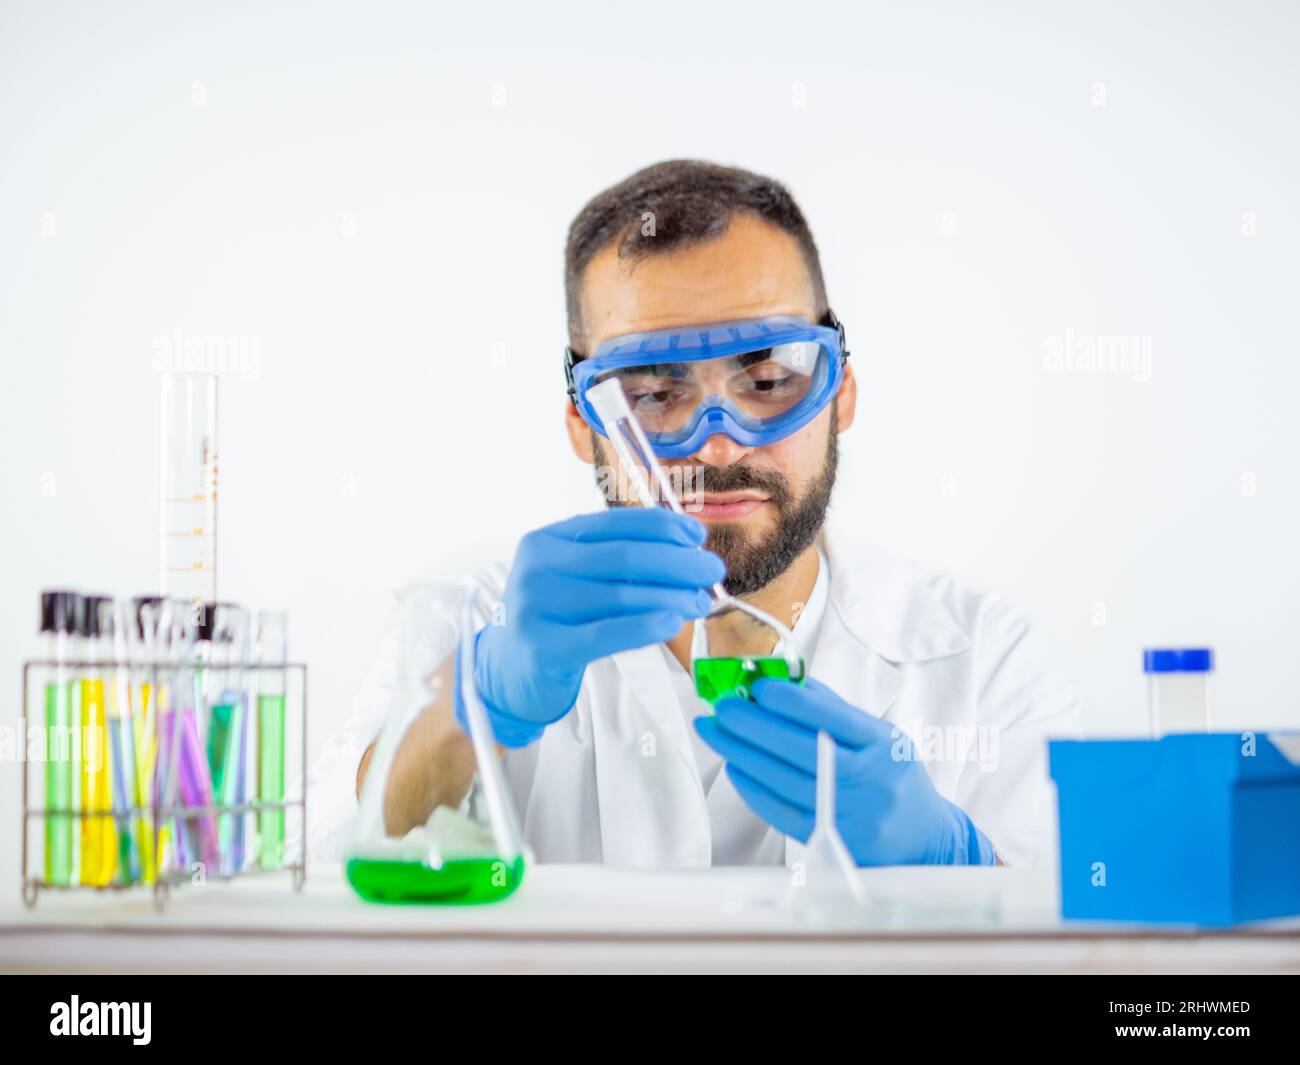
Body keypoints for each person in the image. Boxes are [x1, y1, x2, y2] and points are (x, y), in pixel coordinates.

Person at [315, 159, 1080, 869]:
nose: (718, 447)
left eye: (772, 380)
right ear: (584, 423)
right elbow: (336, 869)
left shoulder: (986, 661)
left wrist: (951, 862)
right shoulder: (471, 622)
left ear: (840, 392)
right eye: (652, 394)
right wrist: (478, 703)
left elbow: (1087, 946)